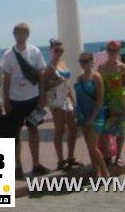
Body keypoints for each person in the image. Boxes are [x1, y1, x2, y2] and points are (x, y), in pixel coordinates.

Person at [1, 23, 48, 179]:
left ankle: (36, 164)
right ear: (14, 35)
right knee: (14, 133)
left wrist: (42, 96)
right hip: (15, 100)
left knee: (34, 130)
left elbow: (41, 75)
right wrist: (6, 101)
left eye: (23, 33)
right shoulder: (8, 55)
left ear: (28, 35)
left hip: (34, 99)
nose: (20, 36)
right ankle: (17, 166)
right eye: (18, 33)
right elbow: (6, 80)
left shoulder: (35, 52)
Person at [43, 39, 81, 171]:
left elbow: (67, 83)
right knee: (59, 130)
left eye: (61, 50)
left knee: (73, 128)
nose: (59, 53)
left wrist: (73, 99)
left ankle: (71, 157)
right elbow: (44, 86)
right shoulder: (49, 67)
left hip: (66, 98)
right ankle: (60, 160)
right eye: (56, 50)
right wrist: (56, 82)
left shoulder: (62, 63)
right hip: (56, 100)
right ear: (51, 50)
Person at [74, 52, 109, 178]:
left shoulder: (96, 77)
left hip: (96, 116)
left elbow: (100, 99)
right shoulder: (79, 78)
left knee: (92, 147)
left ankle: (105, 172)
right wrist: (77, 115)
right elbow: (78, 99)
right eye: (81, 61)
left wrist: (92, 118)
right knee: (89, 146)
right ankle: (96, 172)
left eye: (85, 61)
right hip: (83, 116)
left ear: (91, 62)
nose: (83, 64)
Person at [99, 40, 125, 166]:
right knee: (104, 130)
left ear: (118, 51)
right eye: (109, 50)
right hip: (105, 103)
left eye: (114, 50)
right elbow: (99, 86)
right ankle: (107, 154)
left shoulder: (123, 67)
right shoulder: (101, 68)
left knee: (120, 130)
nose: (111, 52)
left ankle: (118, 156)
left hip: (119, 102)